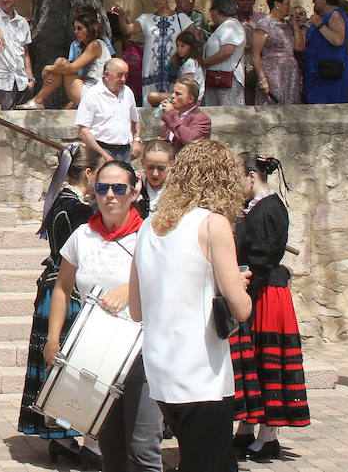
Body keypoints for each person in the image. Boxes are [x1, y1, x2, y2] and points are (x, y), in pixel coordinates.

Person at [129, 140, 253, 472]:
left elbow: (136, 309)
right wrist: (238, 286)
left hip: (162, 371)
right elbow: (241, 310)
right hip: (202, 374)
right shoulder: (212, 224)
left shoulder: (147, 227)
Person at [46, 159, 161, 472]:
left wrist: (129, 289)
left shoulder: (150, 236)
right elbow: (62, 287)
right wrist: (53, 340)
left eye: (118, 188)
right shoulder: (82, 236)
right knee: (109, 453)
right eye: (102, 187)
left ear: (134, 191)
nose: (110, 194)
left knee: (143, 452)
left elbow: (166, 282)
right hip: (96, 354)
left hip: (141, 356)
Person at [17, 145, 99, 460]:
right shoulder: (77, 208)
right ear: (89, 173)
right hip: (66, 290)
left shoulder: (60, 202)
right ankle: (62, 432)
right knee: (67, 362)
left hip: (52, 288)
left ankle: (60, 437)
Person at [230, 153, 310, 461]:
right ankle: (247, 428)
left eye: (238, 180)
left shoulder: (268, 209)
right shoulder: (257, 208)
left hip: (266, 295)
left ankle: (269, 436)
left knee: (267, 363)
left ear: (251, 177)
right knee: (255, 363)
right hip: (258, 292)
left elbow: (261, 257)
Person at [110, 0, 194, 106]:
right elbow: (127, 30)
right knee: (150, 107)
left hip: (174, 71)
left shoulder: (181, 19)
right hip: (151, 73)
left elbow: (192, 44)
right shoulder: (146, 19)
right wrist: (121, 15)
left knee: (174, 106)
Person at [23, 10, 112, 110]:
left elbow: (72, 68)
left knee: (62, 63)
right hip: (90, 92)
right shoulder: (90, 46)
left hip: (95, 95)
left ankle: (38, 100)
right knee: (61, 64)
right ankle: (38, 100)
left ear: (89, 29)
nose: (76, 32)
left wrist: (48, 68)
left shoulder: (95, 45)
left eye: (80, 28)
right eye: (75, 28)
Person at [74, 60, 142, 163]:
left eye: (126, 75)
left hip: (124, 151)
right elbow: (83, 130)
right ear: (107, 75)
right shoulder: (92, 95)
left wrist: (137, 140)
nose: (123, 79)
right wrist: (103, 154)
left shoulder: (127, 92)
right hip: (100, 149)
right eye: (119, 75)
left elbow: (135, 120)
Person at [249, 0, 305, 106]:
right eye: (287, 4)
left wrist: (294, 23)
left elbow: (299, 47)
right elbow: (255, 54)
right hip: (272, 72)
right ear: (277, 4)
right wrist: (262, 78)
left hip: (290, 72)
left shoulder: (288, 25)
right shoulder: (264, 24)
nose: (289, 7)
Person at [302, 0, 348, 104]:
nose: (314, 2)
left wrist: (319, 25)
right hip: (317, 74)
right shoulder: (324, 17)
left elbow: (338, 40)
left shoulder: (335, 15)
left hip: (330, 76)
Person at [202, 0, 247, 106]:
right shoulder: (223, 27)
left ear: (216, 10)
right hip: (216, 80)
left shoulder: (231, 25)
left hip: (227, 81)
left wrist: (204, 62)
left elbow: (227, 51)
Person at [160, 79, 211, 156]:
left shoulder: (202, 120)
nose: (173, 96)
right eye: (173, 92)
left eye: (178, 94)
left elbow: (190, 141)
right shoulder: (173, 115)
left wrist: (172, 114)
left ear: (190, 99)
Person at [134, 140, 173, 219]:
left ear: (170, 165)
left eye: (161, 168)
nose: (155, 173)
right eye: (150, 168)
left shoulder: (176, 188)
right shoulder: (135, 183)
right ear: (142, 163)